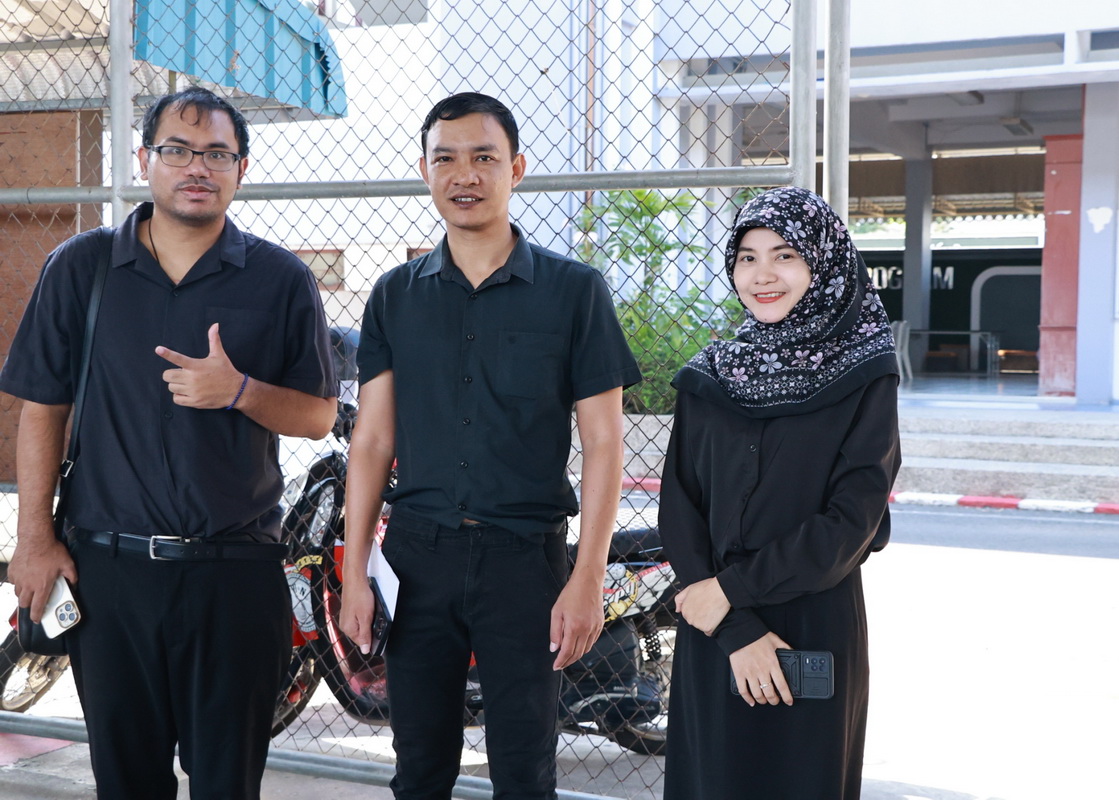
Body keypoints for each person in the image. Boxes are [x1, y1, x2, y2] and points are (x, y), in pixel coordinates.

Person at [0, 87, 337, 799]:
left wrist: (239, 390)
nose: (197, 167)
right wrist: (34, 539)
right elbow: (42, 408)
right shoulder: (82, 267)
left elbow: (316, 416)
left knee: (227, 785)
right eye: (178, 150)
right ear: (144, 158)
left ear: (241, 169)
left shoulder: (281, 280)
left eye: (217, 154)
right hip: (109, 575)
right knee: (127, 783)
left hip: (234, 576)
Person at [338, 92, 641, 800]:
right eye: (446, 159)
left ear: (517, 169)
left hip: (525, 561)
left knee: (524, 773)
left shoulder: (574, 292)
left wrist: (588, 578)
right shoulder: (394, 295)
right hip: (417, 558)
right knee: (419, 769)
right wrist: (354, 572)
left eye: (484, 157)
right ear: (425, 170)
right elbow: (373, 439)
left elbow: (604, 443)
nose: (464, 175)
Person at [659, 186, 901, 799]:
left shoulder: (864, 372)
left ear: (823, 264)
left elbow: (852, 522)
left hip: (809, 621)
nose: (762, 274)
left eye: (785, 255)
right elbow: (679, 506)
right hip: (714, 628)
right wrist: (732, 625)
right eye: (747, 257)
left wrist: (728, 594)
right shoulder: (710, 376)